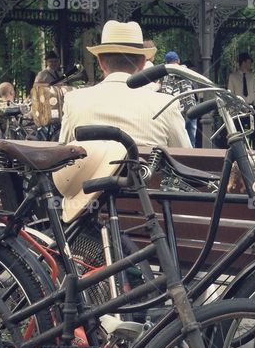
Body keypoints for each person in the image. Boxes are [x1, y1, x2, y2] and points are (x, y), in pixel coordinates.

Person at [55, 20, 191, 221]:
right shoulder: (166, 104)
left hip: (88, 222)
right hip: (154, 224)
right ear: (143, 63)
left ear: (101, 62)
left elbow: (63, 156)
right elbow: (185, 162)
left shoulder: (74, 100)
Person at [159, 51, 198, 146]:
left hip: (177, 111)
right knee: (191, 139)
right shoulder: (187, 72)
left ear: (167, 63)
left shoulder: (167, 75)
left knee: (179, 140)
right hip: (191, 108)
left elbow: (166, 93)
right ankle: (192, 158)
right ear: (178, 60)